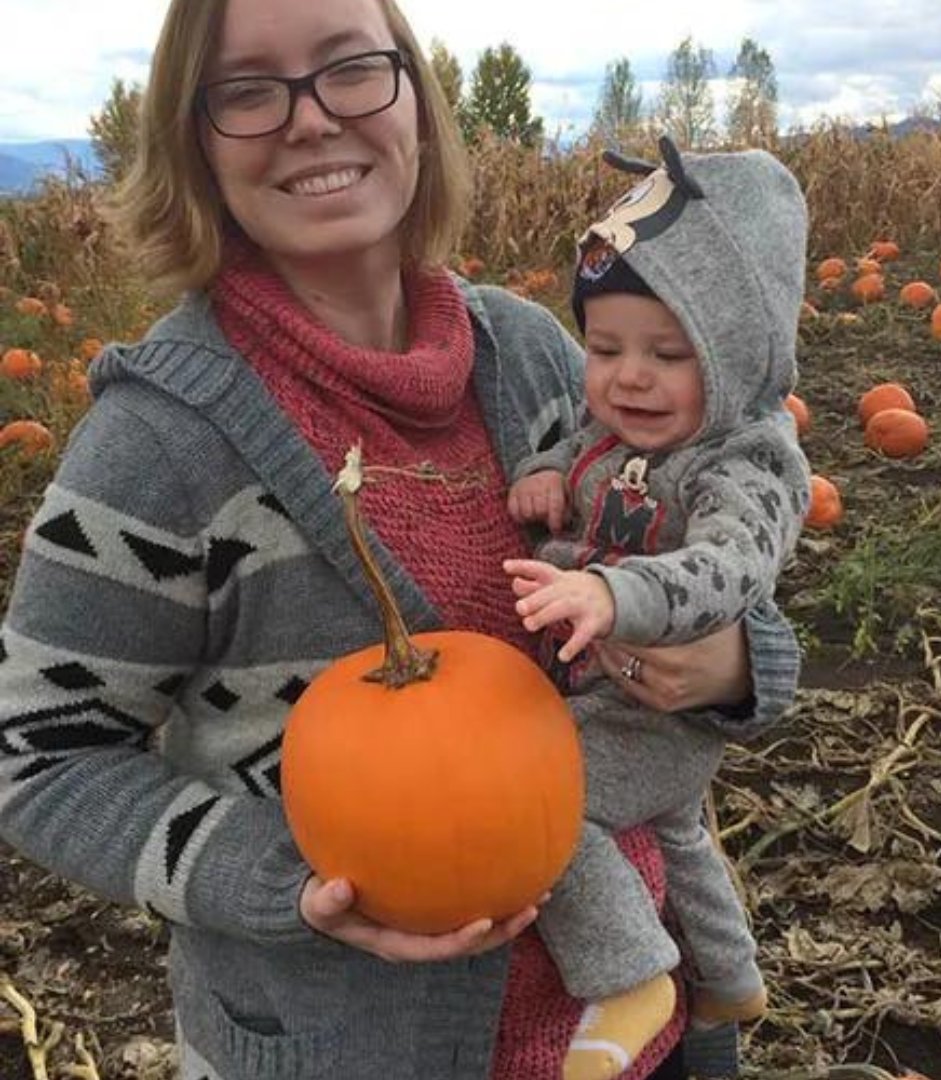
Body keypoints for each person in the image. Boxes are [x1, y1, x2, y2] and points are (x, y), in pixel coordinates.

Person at [0, 0, 804, 1077]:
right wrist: (285, 879)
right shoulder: (157, 444)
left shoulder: (534, 355)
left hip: (629, 1025)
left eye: (350, 70)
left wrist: (740, 663)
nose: (312, 119)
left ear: (415, 106)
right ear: (193, 142)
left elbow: (699, 553)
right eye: (248, 91)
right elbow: (37, 757)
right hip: (349, 1047)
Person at [503, 139, 810, 1080]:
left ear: (737, 354)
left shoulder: (747, 462)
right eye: (604, 349)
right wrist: (544, 470)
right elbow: (573, 436)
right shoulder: (621, 423)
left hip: (659, 709)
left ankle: (633, 976)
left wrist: (611, 592)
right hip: (621, 699)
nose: (628, 377)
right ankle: (728, 975)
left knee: (541, 801)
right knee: (678, 831)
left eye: (667, 354)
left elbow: (729, 570)